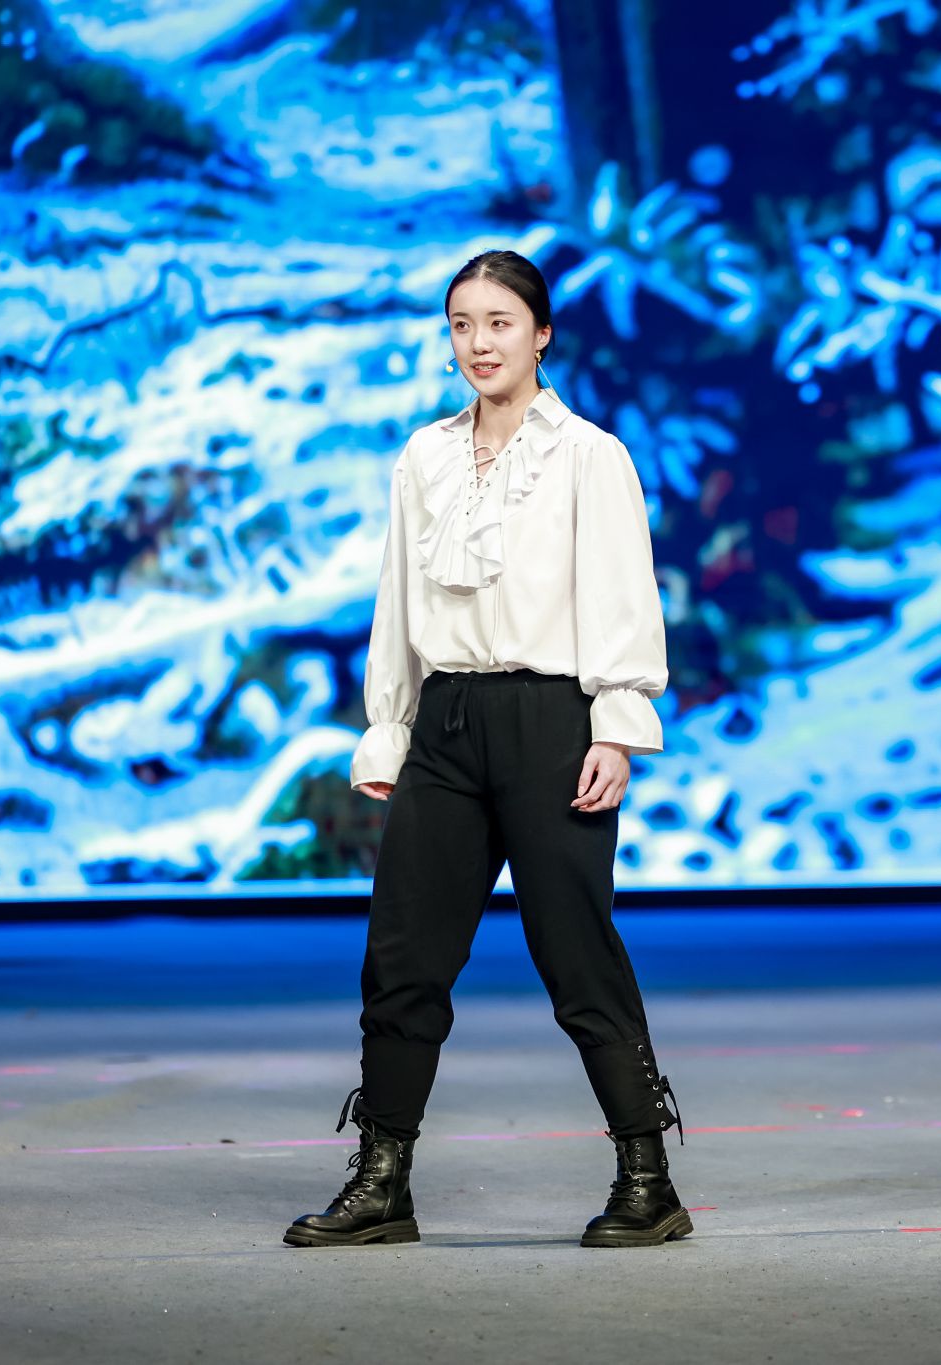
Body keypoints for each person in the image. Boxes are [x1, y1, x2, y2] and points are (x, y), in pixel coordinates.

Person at [285, 250, 690, 1250]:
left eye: (499, 322)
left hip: (551, 720)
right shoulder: (424, 456)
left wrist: (616, 727)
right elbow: (399, 599)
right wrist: (389, 728)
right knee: (402, 955)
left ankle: (647, 1178)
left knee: (575, 951)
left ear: (541, 334)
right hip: (447, 722)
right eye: (461, 324)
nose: (479, 342)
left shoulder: (589, 455)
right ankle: (382, 1181)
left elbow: (621, 592)